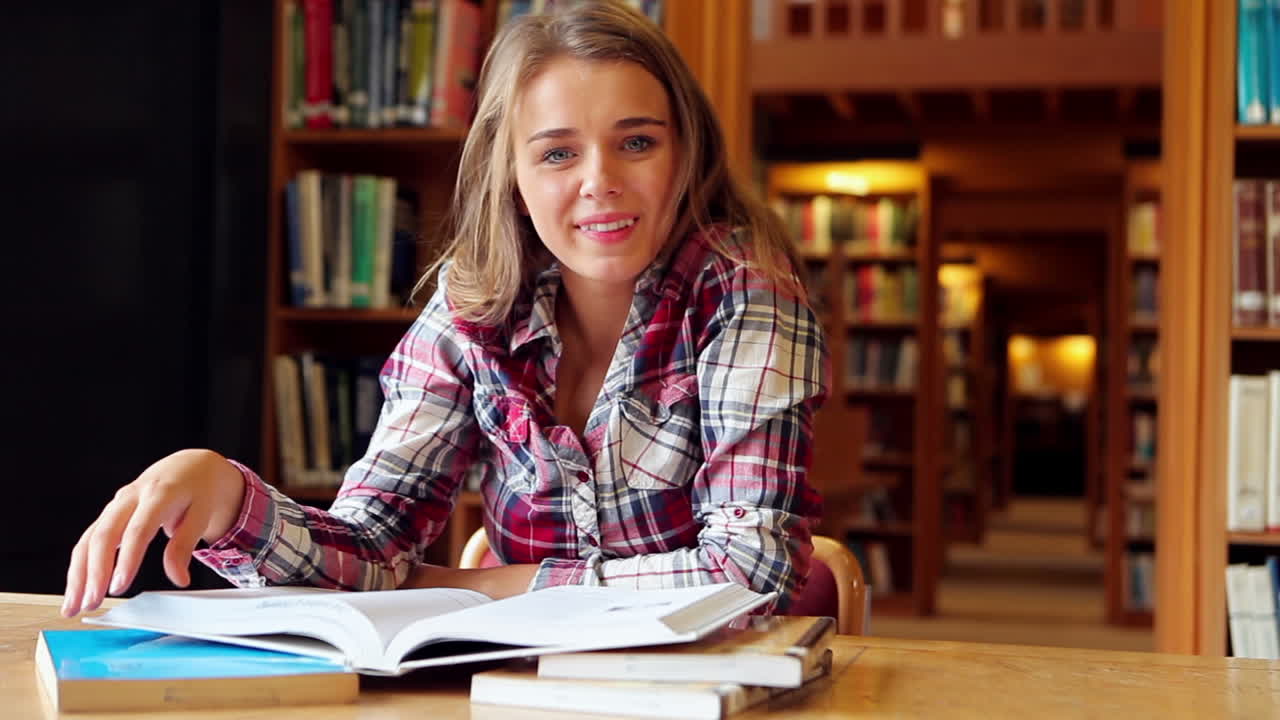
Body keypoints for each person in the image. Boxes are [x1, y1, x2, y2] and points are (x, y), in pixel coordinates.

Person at [62, 0, 827, 619]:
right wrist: (227, 495)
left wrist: (491, 586)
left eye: (636, 143)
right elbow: (372, 547)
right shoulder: (474, 305)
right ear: (513, 173)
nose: (600, 181)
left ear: (685, 151)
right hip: (522, 686)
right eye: (558, 153)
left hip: (712, 691)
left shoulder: (747, 288)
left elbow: (749, 574)